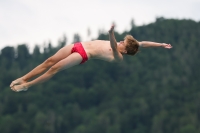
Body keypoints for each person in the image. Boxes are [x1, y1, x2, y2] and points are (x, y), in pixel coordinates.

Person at [10, 25, 172, 92]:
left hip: (82, 55)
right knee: (49, 61)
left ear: (125, 49)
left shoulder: (118, 57)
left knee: (54, 69)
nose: (122, 41)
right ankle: (23, 78)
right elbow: (143, 43)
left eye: (124, 42)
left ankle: (28, 86)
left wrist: (111, 33)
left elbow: (114, 45)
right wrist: (161, 44)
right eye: (122, 39)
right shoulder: (126, 46)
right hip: (78, 45)